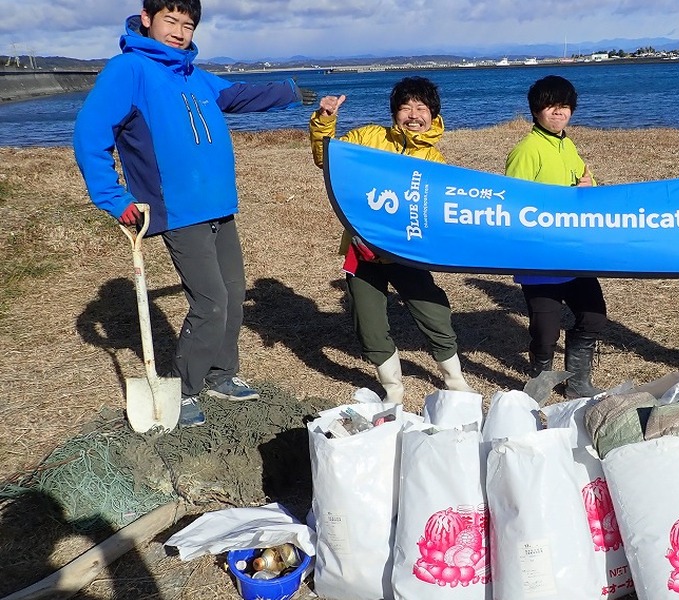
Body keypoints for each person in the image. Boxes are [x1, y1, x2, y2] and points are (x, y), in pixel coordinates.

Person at [73, 0, 317, 428]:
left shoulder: (192, 74)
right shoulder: (128, 71)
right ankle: (183, 389)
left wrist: (292, 92)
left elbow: (238, 95)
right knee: (211, 302)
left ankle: (222, 375)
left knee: (233, 293)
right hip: (178, 210)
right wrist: (115, 199)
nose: (180, 32)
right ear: (147, 19)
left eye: (188, 24)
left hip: (219, 206)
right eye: (171, 21)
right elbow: (90, 135)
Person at [309, 76, 474, 403]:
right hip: (362, 252)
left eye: (421, 108)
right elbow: (328, 160)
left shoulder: (435, 161)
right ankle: (393, 390)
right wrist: (324, 122)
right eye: (405, 107)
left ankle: (455, 381)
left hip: (406, 253)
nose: (413, 115)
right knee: (368, 324)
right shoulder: (369, 137)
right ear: (394, 112)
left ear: (433, 115)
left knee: (433, 312)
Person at [505, 75, 607, 399]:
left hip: (573, 253)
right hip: (539, 258)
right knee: (545, 333)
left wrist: (588, 186)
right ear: (536, 111)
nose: (558, 112)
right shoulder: (526, 150)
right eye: (551, 106)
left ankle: (578, 383)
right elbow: (513, 204)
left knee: (593, 315)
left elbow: (586, 179)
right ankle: (541, 383)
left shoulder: (568, 145)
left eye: (564, 106)